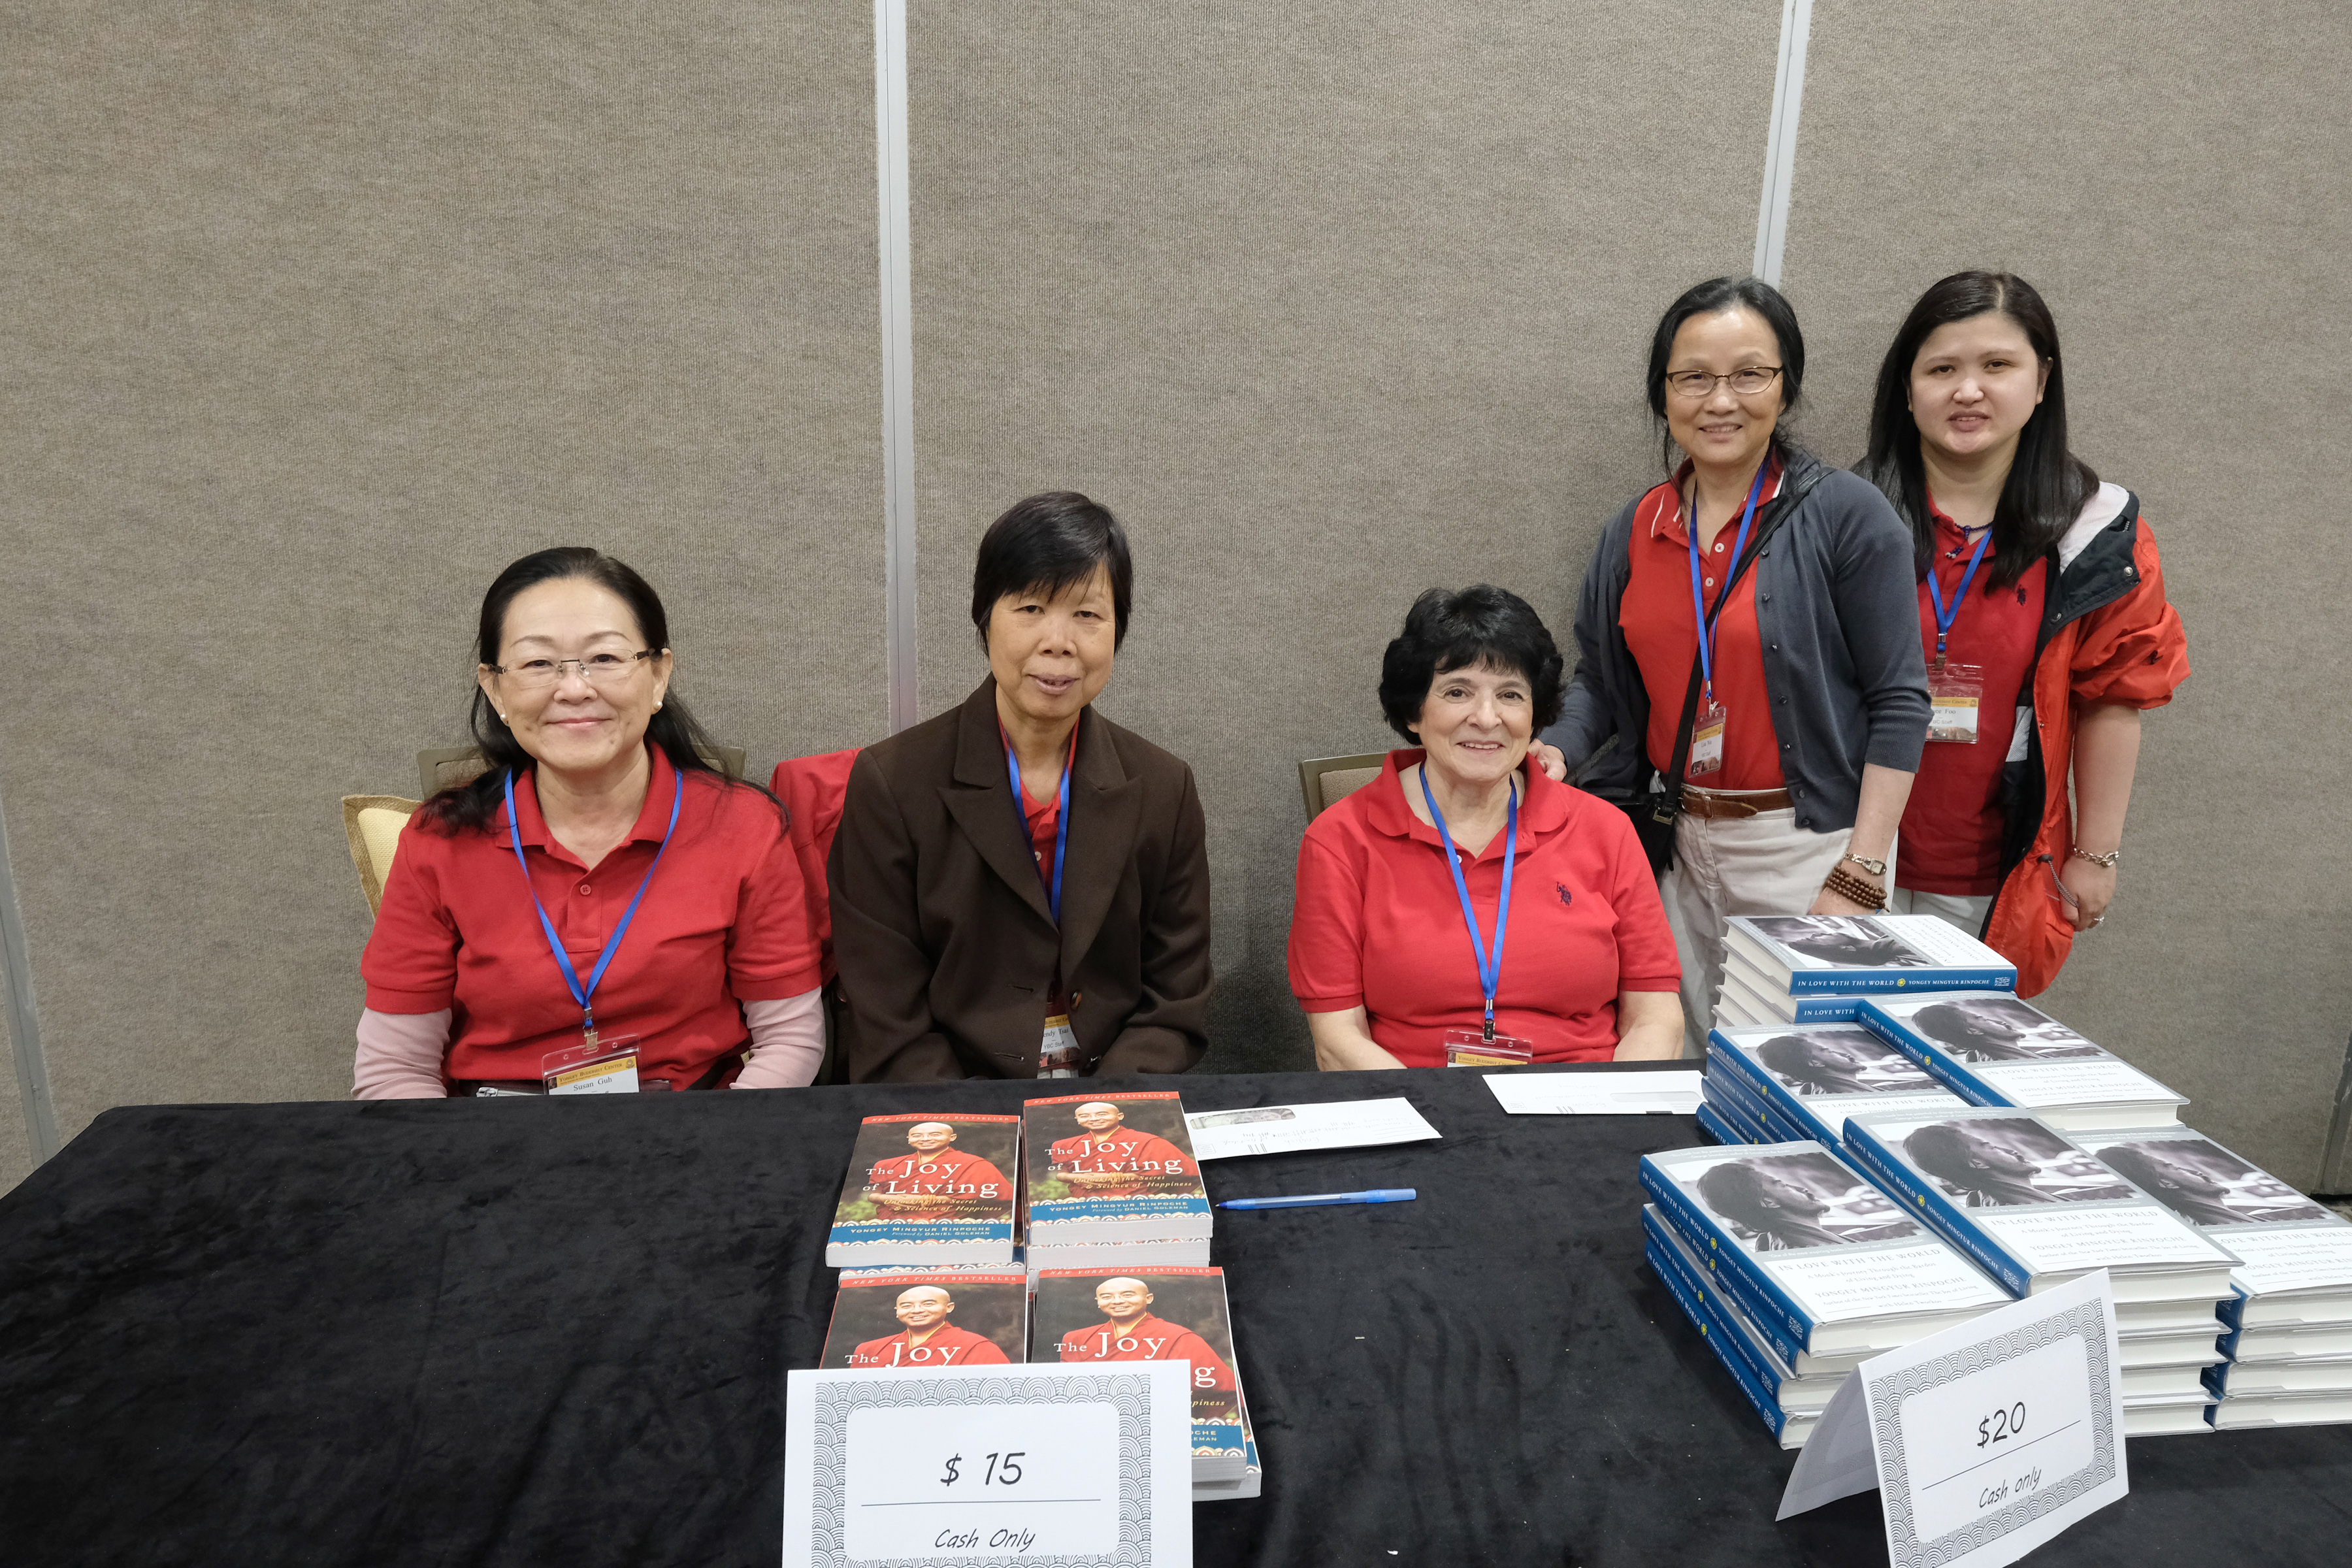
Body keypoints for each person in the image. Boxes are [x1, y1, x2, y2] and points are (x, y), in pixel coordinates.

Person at [1537, 278, 1929, 1054]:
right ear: (1663, 394)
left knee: (1803, 1063)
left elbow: (1900, 701)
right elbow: (1602, 682)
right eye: (1693, 377)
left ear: (1786, 387)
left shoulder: (1848, 514)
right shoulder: (1634, 528)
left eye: (1749, 374)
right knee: (1683, 1059)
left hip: (1810, 844)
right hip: (1678, 842)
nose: (1721, 400)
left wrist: (1861, 867)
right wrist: (1559, 749)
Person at [355, 548, 824, 1096]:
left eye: (604, 657)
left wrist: (718, 1140)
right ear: (495, 688)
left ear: (658, 675)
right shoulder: (440, 839)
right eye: (537, 664)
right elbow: (395, 1069)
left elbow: (789, 1039)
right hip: (492, 1129)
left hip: (691, 1123)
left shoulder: (745, 825)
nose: (574, 688)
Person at [1857, 272, 2189, 992]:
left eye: (1996, 365)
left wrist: (2095, 855)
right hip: (1846, 859)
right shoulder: (1846, 515)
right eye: (1941, 370)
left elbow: (2114, 699)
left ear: (2041, 382)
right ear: (1906, 388)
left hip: (1996, 872)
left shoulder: (2098, 532)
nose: (1968, 391)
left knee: (1954, 1052)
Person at [828, 493, 1213, 1080]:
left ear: (1118, 629)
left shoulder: (1164, 787)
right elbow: (888, 1014)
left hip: (1113, 1092)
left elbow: (1175, 1000)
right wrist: (974, 1118)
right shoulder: (892, 783)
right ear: (985, 618)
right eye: (1031, 607)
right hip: (952, 1095)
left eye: (1087, 615)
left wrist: (1102, 1110)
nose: (1059, 641)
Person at [1289, 586, 1682, 1068]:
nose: (1487, 718)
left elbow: (1655, 1018)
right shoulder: (1340, 841)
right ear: (1414, 711)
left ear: (1535, 714)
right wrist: (1432, 1113)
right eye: (1457, 692)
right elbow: (1337, 1040)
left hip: (1583, 1097)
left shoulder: (1606, 831)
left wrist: (1610, 1107)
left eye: (1510, 695)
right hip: (1416, 1095)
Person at [1054, 1277, 1236, 1390]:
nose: (1117, 1301)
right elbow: (1068, 1388)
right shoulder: (1076, 1338)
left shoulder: (1179, 1337)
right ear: (1098, 1302)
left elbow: (1220, 1388)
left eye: (1128, 1295)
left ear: (1149, 1299)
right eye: (1107, 1297)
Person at [1047, 1101, 1196, 1199]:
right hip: (1086, 1200)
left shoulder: (1148, 1141)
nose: (1093, 1119)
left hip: (1135, 1200)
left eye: (1102, 1114)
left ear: (1120, 1116)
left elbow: (1184, 1173)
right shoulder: (1064, 1145)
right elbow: (1062, 1174)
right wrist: (1080, 1178)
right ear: (1078, 1120)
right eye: (1085, 1116)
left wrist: (1114, 1178)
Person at [863, 1121, 1013, 1215]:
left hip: (949, 1223)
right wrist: (886, 1198)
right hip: (894, 1223)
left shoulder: (974, 1164)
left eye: (935, 1134)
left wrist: (930, 1200)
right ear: (909, 1140)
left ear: (952, 1137)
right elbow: (874, 1195)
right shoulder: (886, 1165)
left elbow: (995, 1199)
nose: (925, 1139)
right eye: (917, 1136)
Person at [847, 1285, 1011, 1369]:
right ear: (897, 1311)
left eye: (928, 1304)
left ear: (949, 1307)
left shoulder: (977, 1346)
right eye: (907, 1306)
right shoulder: (869, 1350)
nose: (917, 1310)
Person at [1908, 996, 2099, 1062]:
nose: (2001, 1022)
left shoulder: (1978, 1058)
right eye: (1982, 1019)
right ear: (1974, 1031)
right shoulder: (2011, 1062)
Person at [1755, 1031, 1932, 1097]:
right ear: (1815, 1063)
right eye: (1829, 1051)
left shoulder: (1811, 1089)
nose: (1845, 1054)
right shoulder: (1848, 1096)